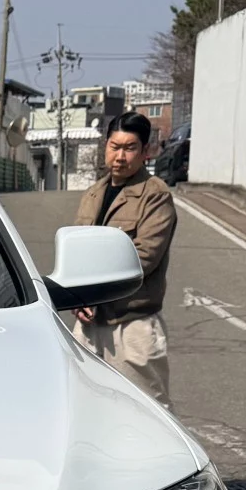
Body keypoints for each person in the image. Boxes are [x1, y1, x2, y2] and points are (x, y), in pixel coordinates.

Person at [72, 111, 177, 404]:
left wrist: (95, 294)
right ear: (105, 146)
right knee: (86, 406)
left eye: (130, 148)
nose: (120, 156)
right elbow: (78, 253)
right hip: (88, 324)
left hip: (132, 326)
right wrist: (77, 296)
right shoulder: (93, 194)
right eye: (114, 146)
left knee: (147, 412)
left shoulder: (155, 196)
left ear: (145, 152)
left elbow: (145, 257)